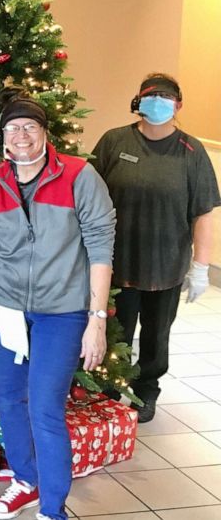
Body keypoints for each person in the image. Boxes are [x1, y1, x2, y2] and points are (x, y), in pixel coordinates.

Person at [0, 94, 115, 520]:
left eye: (30, 127)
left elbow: (101, 248)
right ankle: (25, 481)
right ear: (2, 136)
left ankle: (52, 508)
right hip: (3, 306)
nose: (21, 135)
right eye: (12, 128)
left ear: (45, 133)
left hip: (61, 310)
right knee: (9, 399)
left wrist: (96, 320)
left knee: (45, 405)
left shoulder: (80, 176)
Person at [91, 73, 220, 423]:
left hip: (166, 267)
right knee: (114, 329)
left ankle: (146, 390)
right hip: (116, 263)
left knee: (155, 335)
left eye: (166, 97)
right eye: (151, 96)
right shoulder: (114, 142)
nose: (158, 102)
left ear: (178, 105)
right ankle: (105, 386)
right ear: (138, 101)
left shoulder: (191, 153)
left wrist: (201, 268)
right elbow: (88, 198)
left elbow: (203, 213)